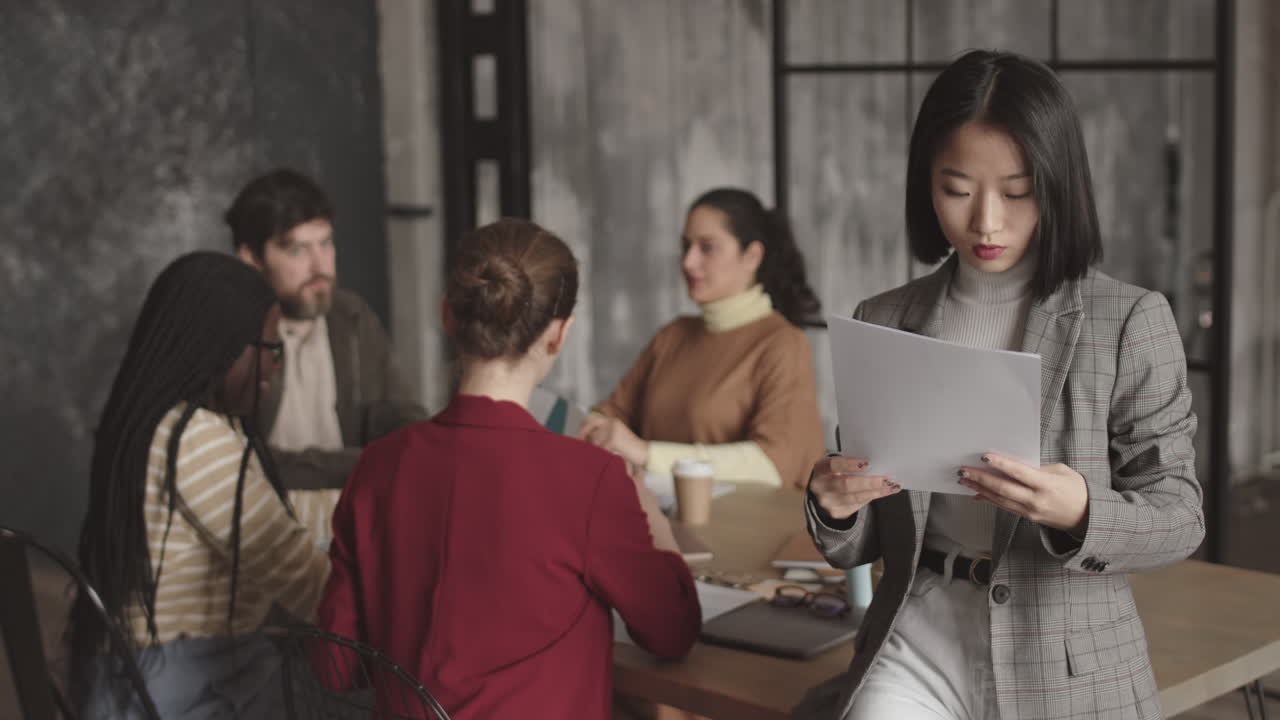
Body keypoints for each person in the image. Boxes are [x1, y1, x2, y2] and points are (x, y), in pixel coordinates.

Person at [799, 50, 1203, 720]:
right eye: (957, 190)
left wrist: (1081, 510)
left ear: (1059, 183)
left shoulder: (1127, 320)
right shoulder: (886, 318)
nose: (986, 222)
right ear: (925, 184)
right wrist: (836, 502)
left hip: (1063, 654)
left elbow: (1181, 515)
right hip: (921, 631)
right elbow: (866, 535)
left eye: (1017, 192)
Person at [317, 218, 701, 718]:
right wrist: (658, 528)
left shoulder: (377, 466)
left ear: (447, 317)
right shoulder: (590, 479)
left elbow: (335, 666)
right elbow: (671, 633)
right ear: (560, 334)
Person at [70, 252, 331, 718]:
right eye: (269, 349)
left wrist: (363, 505)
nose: (274, 366)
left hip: (131, 678)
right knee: (371, 693)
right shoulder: (198, 440)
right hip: (181, 690)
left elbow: (267, 511)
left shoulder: (161, 424)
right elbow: (309, 586)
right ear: (223, 347)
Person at [580, 188, 826, 489]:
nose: (688, 262)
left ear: (752, 256)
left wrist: (646, 453)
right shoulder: (673, 336)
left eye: (707, 247)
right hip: (663, 526)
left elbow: (774, 465)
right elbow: (610, 414)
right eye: (686, 246)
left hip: (751, 533)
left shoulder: (783, 344)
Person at [226, 168, 428, 503]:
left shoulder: (352, 317)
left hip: (353, 506)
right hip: (265, 513)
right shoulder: (233, 332)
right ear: (251, 257)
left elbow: (399, 416)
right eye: (296, 250)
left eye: (326, 243)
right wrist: (367, 463)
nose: (320, 266)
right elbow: (247, 463)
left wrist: (417, 449)